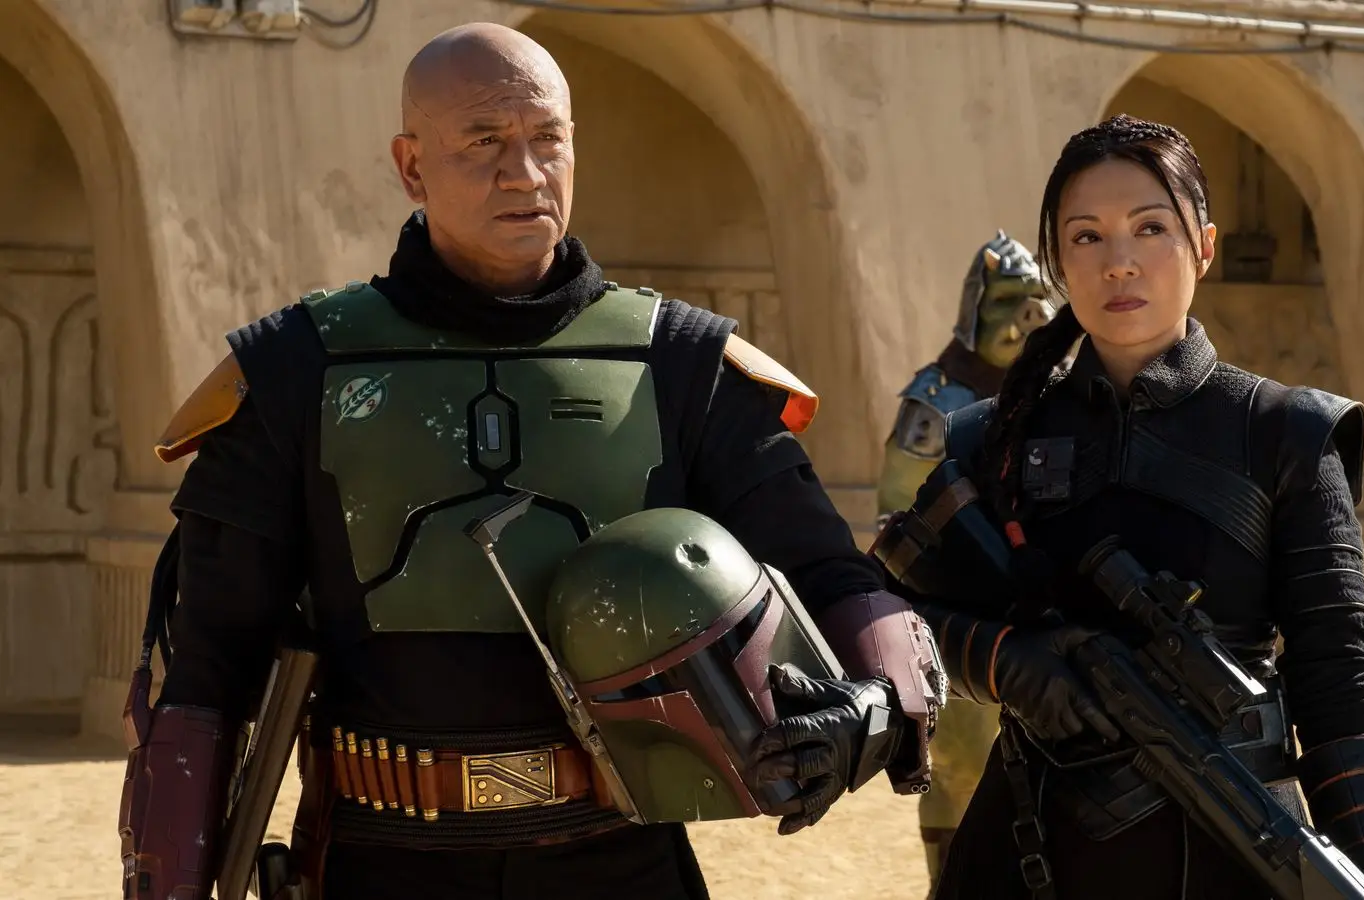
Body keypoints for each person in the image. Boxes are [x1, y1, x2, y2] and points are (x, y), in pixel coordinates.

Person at [118, 23, 939, 900]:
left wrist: (877, 708)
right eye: (484, 142)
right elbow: (207, 666)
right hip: (383, 864)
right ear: (411, 166)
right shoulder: (294, 369)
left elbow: (829, 572)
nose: (525, 172)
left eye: (548, 138)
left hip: (622, 864)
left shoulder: (684, 363)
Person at [888, 114, 1364, 898]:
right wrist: (1006, 662)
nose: (1120, 262)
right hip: (1028, 849)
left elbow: (1337, 682)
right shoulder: (990, 438)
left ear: (1204, 245)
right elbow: (895, 617)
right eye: (1087, 237)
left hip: (1231, 848)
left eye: (1150, 228)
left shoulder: (1289, 434)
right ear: (1058, 263)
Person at [873, 231, 1054, 884]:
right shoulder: (937, 402)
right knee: (962, 771)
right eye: (1007, 301)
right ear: (975, 309)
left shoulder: (1060, 395)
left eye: (1033, 301)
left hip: (1048, 615)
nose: (1024, 319)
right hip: (960, 618)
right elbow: (898, 520)